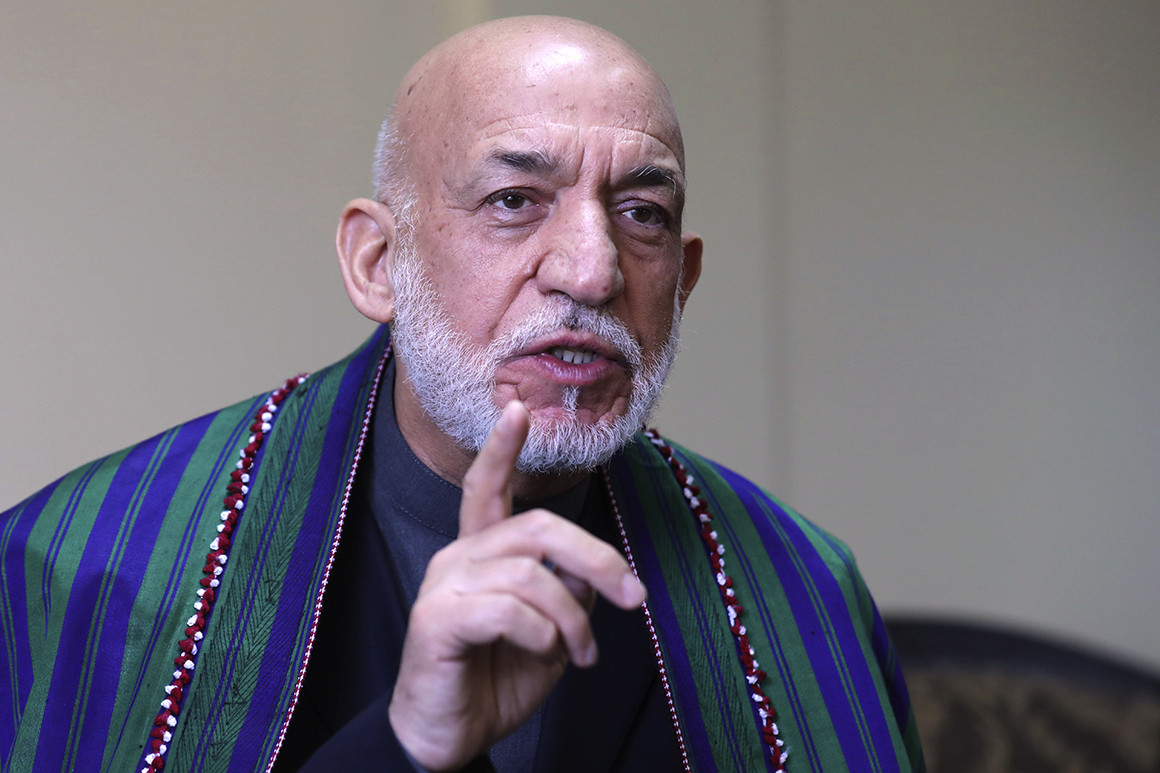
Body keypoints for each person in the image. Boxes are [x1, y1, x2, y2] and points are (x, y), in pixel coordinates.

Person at [0, 15, 924, 773]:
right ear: (377, 263)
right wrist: (403, 744)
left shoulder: (806, 593)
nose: (592, 271)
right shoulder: (76, 570)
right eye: (514, 199)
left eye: (641, 213)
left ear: (682, 280)